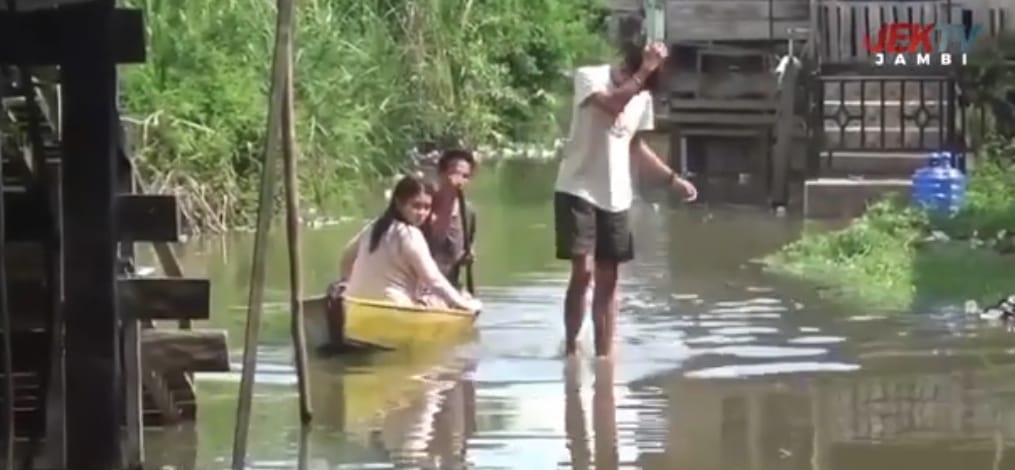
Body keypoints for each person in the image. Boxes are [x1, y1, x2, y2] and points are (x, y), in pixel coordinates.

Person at [553, 28, 698, 358]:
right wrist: (645, 70)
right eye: (649, 76)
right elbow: (613, 106)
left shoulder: (643, 97)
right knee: (583, 271)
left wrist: (671, 179)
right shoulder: (591, 78)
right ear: (632, 65)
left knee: (609, 279)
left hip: (617, 196)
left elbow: (634, 145)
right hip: (577, 187)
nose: (650, 85)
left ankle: (604, 356)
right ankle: (572, 347)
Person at [334, 175, 481, 313]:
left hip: (356, 304)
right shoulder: (410, 234)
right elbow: (434, 280)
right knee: (459, 298)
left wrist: (346, 282)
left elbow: (346, 257)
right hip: (393, 307)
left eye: (427, 207)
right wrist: (464, 305)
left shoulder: (374, 226)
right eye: (416, 206)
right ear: (399, 203)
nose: (422, 213)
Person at [420, 148, 477, 289]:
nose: (460, 180)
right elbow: (437, 237)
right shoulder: (423, 206)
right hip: (420, 285)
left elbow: (465, 249)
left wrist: (467, 257)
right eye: (454, 173)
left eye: (465, 176)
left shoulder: (468, 213)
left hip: (449, 287)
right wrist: (448, 199)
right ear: (441, 173)